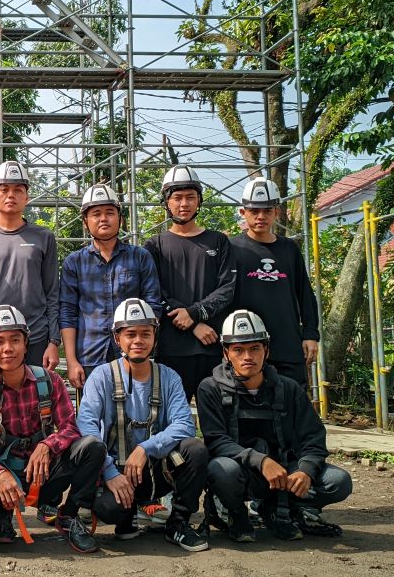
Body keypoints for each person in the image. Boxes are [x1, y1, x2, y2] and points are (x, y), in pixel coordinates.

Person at [197, 310, 352, 542]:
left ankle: (279, 508)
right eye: (238, 350)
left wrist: (305, 470)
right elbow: (216, 441)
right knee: (222, 470)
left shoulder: (289, 389)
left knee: (338, 482)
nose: (247, 356)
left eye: (255, 348)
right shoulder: (210, 388)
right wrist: (260, 461)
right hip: (241, 472)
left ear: (266, 350)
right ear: (226, 353)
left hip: (285, 471)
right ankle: (235, 512)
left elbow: (313, 437)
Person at [0, 305, 106, 554]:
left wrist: (47, 445)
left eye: (15, 340)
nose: (8, 348)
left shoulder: (50, 381)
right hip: (6, 478)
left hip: (46, 475)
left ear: (26, 344)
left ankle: (69, 516)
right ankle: (2, 519)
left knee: (92, 447)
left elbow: (70, 427)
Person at [78, 298, 210, 551]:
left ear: (155, 337)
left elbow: (184, 424)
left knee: (195, 449)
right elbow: (87, 426)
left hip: (156, 470)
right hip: (116, 472)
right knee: (109, 509)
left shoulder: (169, 377)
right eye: (130, 334)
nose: (138, 341)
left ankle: (178, 523)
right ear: (117, 338)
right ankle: (126, 517)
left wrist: (145, 448)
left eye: (145, 334)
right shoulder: (101, 377)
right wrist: (109, 472)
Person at [0, 161, 60, 382]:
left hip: (34, 337)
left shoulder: (44, 237)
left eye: (18, 190)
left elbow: (52, 293)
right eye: (4, 189)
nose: (11, 195)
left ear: (26, 197)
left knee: (36, 401)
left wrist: (53, 342)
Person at [143, 164, 235, 399]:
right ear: (166, 202)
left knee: (217, 416)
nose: (184, 204)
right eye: (177, 198)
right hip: (171, 349)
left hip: (212, 346)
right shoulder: (154, 245)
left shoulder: (218, 241)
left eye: (190, 197)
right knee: (172, 416)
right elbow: (154, 292)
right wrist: (194, 324)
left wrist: (194, 314)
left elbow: (227, 288)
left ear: (199, 201)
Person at [60, 183, 163, 390]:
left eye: (110, 212)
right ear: (85, 222)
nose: (103, 218)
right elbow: (68, 312)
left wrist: (142, 347)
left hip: (132, 356)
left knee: (135, 408)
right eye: (96, 214)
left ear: (120, 218)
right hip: (89, 355)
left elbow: (153, 304)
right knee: (91, 409)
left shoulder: (140, 257)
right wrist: (71, 361)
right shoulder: (75, 262)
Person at [230, 177, 320, 388]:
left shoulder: (289, 249)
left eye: (267, 211)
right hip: (246, 348)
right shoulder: (232, 249)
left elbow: (305, 294)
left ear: (277, 212)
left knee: (293, 402)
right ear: (243, 212)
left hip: (287, 346)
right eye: (254, 211)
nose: (261, 216)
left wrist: (310, 334)